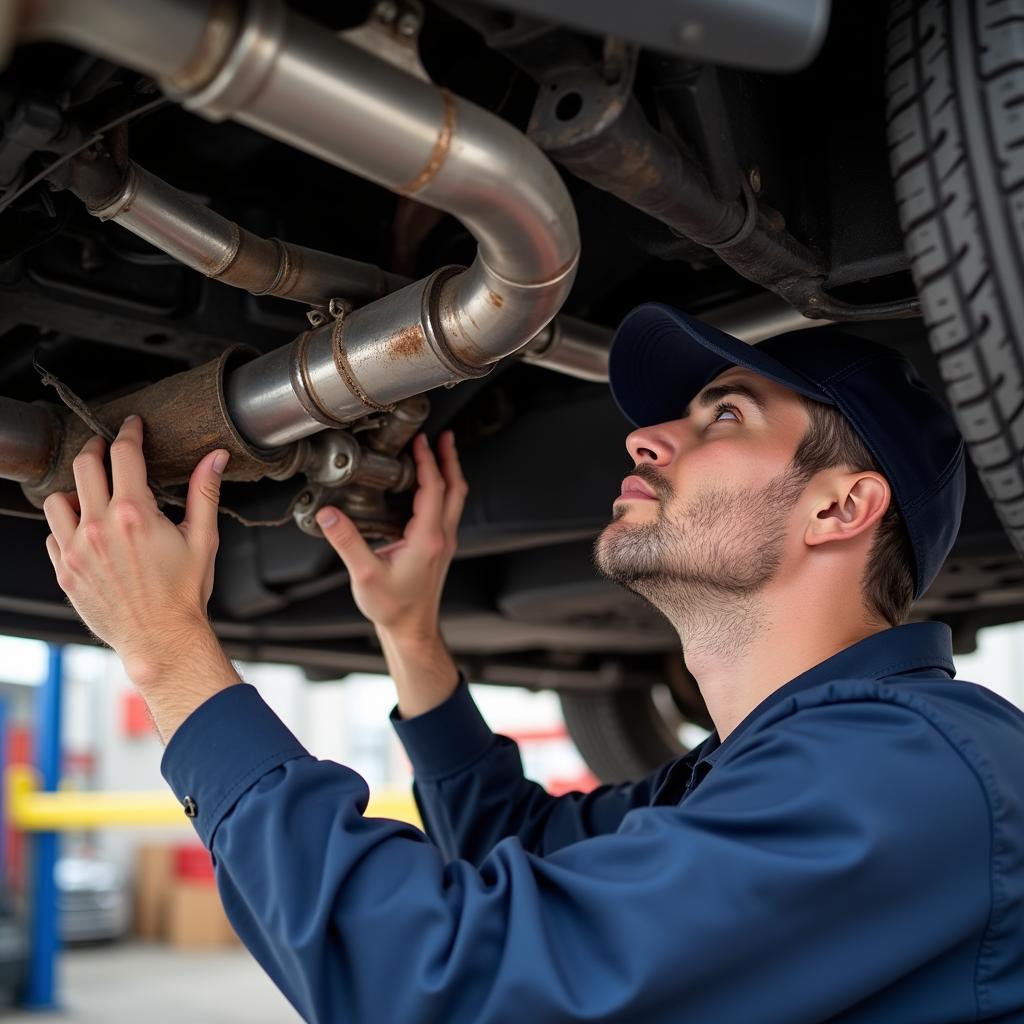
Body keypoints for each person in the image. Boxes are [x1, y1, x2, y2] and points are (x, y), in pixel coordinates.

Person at [40, 304, 1024, 1023]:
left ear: (839, 508)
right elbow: (515, 853)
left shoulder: (905, 771)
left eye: (722, 416)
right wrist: (411, 634)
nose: (643, 436)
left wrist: (169, 654)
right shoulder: (793, 766)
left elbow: (440, 984)